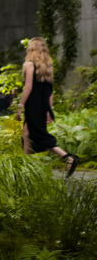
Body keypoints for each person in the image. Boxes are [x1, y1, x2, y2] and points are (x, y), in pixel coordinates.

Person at [16, 37, 80, 176]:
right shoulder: (47, 66)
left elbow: (28, 87)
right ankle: (26, 166)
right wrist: (49, 110)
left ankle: (68, 157)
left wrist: (20, 106)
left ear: (31, 48)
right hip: (43, 105)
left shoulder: (29, 64)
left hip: (33, 104)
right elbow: (49, 90)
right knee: (26, 133)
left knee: (39, 135)